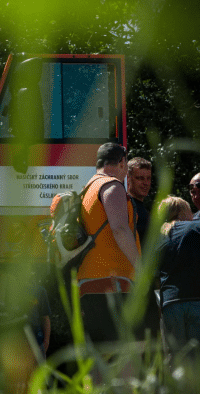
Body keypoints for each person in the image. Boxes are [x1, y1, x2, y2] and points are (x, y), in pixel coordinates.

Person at [76, 142, 140, 344]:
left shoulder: (87, 190)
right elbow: (119, 229)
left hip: (87, 283)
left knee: (98, 354)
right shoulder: (111, 186)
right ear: (122, 162)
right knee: (125, 351)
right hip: (114, 282)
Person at [154, 196, 197, 354]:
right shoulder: (193, 228)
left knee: (175, 358)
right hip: (195, 300)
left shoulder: (158, 237)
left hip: (170, 304)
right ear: (182, 212)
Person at [126, 157, 152, 245]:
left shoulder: (141, 209)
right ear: (128, 179)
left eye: (148, 178)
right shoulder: (127, 207)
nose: (146, 183)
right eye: (140, 178)